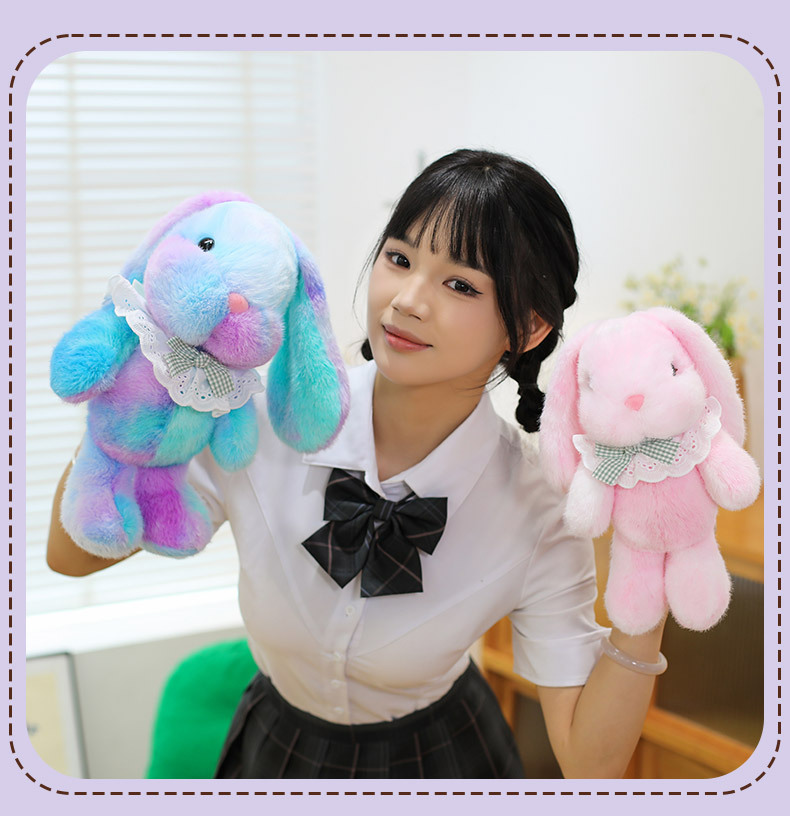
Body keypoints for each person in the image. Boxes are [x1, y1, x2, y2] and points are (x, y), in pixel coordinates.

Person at [47, 149, 667, 779]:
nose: (408, 301)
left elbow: (591, 765)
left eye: (460, 285)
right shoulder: (256, 420)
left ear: (529, 329)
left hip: (444, 760)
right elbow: (72, 558)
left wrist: (652, 570)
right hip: (276, 749)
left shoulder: (539, 508)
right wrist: (133, 391)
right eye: (399, 259)